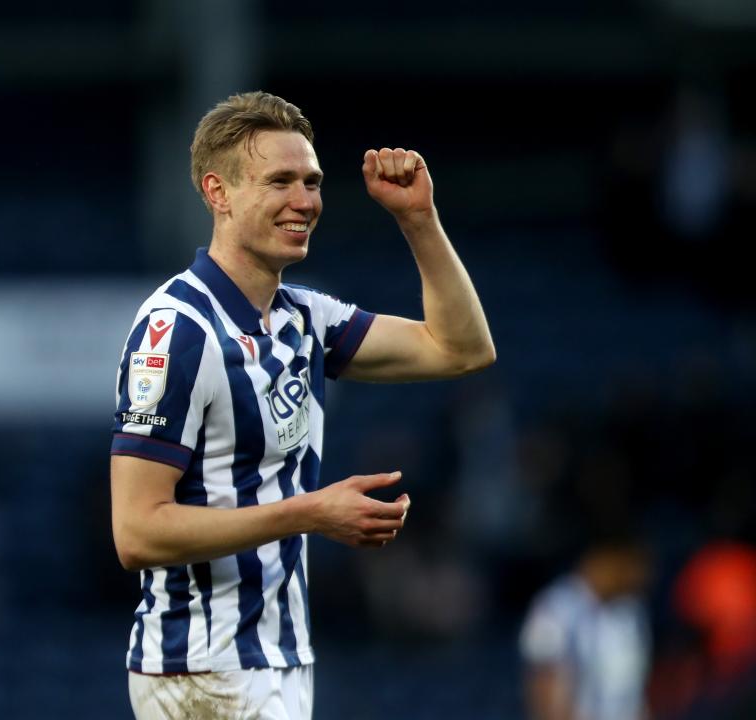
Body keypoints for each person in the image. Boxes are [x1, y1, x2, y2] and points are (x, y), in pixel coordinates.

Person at [110, 91, 495, 719]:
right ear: (218, 192)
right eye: (280, 181)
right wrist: (310, 512)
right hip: (204, 670)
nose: (305, 201)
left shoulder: (304, 319)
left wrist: (418, 220)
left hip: (278, 660)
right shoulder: (178, 331)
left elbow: (461, 349)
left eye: (312, 182)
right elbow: (136, 531)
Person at [520, 531, 653, 720]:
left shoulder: (631, 610)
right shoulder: (556, 606)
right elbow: (543, 683)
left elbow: (633, 688)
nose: (638, 575)